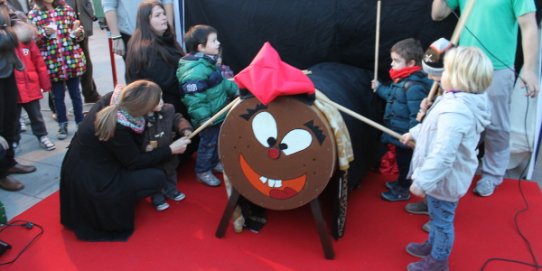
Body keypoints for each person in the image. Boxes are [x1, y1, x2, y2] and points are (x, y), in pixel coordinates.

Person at [431, 0, 539, 198]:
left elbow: (529, 26)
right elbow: (437, 14)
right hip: (464, 68)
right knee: (460, 122)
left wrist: (530, 70)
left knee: (496, 126)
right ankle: (455, 169)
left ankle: (492, 174)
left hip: (497, 69)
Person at [59, 80, 191, 241]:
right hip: (94, 180)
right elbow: (134, 162)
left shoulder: (116, 101)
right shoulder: (119, 127)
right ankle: (122, 199)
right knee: (157, 177)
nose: (163, 102)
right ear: (144, 107)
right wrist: (171, 149)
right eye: (159, 100)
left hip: (84, 165)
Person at [400, 46, 492, 271]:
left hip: (444, 179)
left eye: (447, 69)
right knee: (436, 215)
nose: (442, 73)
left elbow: (443, 154)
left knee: (441, 223)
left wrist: (422, 182)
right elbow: (433, 127)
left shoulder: (456, 111)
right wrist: (414, 132)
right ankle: (432, 246)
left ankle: (438, 261)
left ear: (459, 76)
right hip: (440, 179)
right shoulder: (453, 99)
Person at [176, 24, 239, 187]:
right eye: (213, 41)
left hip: (218, 114)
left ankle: (214, 163)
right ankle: (202, 170)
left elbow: (223, 84)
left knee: (218, 141)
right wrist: (204, 118)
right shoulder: (194, 71)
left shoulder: (208, 63)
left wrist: (238, 90)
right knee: (208, 144)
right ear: (201, 47)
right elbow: (194, 99)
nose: (218, 43)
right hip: (207, 118)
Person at [371, 38, 432, 202]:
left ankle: (403, 190)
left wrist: (412, 135)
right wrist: (379, 88)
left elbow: (416, 115)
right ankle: (401, 183)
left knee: (405, 163)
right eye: (392, 60)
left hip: (406, 135)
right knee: (401, 161)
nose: (392, 64)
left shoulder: (413, 86)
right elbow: (392, 96)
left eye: (396, 61)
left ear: (411, 63)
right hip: (399, 132)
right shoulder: (401, 80)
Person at [28, 0, 87, 140]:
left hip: (71, 59)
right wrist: (44, 34)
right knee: (57, 96)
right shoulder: (34, 14)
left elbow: (78, 32)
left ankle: (80, 122)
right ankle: (62, 123)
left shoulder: (66, 9)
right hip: (51, 61)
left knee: (76, 94)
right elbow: (33, 41)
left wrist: (78, 33)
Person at [125, 0, 186, 117]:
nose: (164, 18)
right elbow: (169, 81)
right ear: (146, 21)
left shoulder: (165, 39)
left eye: (163, 14)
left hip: (171, 101)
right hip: (160, 108)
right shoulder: (145, 49)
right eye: (157, 15)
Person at [0, 3, 36, 192]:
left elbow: (15, 19)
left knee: (10, 119)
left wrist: (20, 23)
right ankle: (1, 173)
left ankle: (8, 160)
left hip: (7, 69)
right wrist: (15, 34)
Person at [12, 19, 56, 151]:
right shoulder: (7, 42)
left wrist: (45, 83)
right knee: (12, 118)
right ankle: (14, 140)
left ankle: (42, 136)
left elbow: (38, 62)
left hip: (30, 85)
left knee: (36, 115)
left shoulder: (27, 42)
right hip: (13, 87)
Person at [142, 97, 193, 211]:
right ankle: (157, 198)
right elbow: (136, 136)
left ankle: (171, 191)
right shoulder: (140, 118)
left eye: (161, 97)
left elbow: (177, 119)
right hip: (152, 156)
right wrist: (144, 145)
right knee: (154, 178)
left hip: (169, 152)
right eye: (156, 99)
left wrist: (185, 129)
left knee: (171, 173)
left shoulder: (167, 110)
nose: (161, 101)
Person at [102, 0, 174, 59]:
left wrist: (169, 30)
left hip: (159, 34)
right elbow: (108, 6)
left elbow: (167, 2)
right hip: (130, 35)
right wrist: (116, 37)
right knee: (137, 73)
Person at [65, 0, 101, 103]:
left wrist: (90, 12)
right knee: (60, 63)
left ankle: (90, 93)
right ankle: (55, 105)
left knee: (85, 62)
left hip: (79, 24)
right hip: (59, 27)